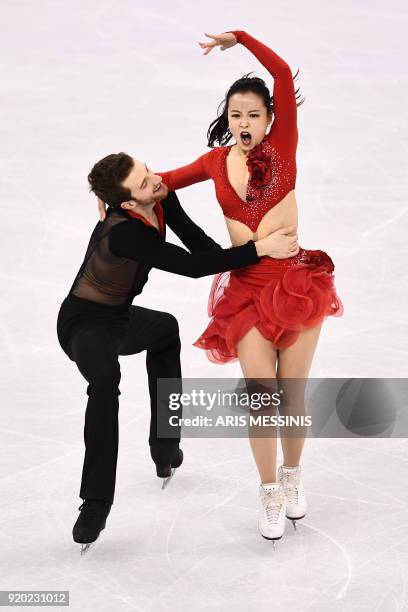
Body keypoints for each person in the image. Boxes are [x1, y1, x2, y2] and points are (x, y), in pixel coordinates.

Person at [99, 30, 344, 543]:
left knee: (291, 395)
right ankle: (270, 490)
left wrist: (243, 39)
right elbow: (157, 182)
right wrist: (111, 196)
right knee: (262, 395)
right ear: (227, 118)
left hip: (298, 281)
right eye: (236, 115)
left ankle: (295, 475)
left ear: (270, 118)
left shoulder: (284, 144)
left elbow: (279, 74)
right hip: (247, 288)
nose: (244, 123)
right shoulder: (213, 163)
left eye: (254, 114)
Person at [58, 152, 298, 552]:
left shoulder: (159, 196)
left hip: (119, 317)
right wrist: (260, 250)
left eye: (147, 168)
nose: (155, 178)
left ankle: (165, 447)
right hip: (83, 324)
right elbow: (191, 267)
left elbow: (200, 247)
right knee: (105, 382)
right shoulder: (124, 232)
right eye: (143, 182)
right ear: (128, 204)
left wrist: (247, 263)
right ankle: (95, 502)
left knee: (164, 330)